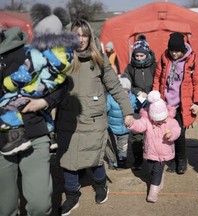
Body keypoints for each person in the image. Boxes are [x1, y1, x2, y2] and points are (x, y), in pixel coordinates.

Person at [0, 3, 73, 216]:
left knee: (40, 205)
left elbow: (62, 83)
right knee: (5, 208)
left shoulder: (23, 50)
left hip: (34, 131)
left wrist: (45, 102)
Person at [55, 18, 134, 216]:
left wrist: (128, 111)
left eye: (84, 35)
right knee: (69, 160)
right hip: (68, 118)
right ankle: (72, 195)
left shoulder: (98, 57)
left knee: (96, 157)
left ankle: (100, 185)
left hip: (94, 117)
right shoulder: (61, 57)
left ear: (90, 37)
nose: (80, 39)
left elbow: (114, 85)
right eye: (76, 35)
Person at [0, 5, 78, 156]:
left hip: (33, 87)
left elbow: (27, 73)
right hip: (48, 87)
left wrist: (8, 83)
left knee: (6, 104)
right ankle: (49, 131)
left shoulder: (38, 52)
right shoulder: (66, 51)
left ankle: (17, 134)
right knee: (43, 108)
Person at [153, 32, 198, 174]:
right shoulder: (164, 58)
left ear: (183, 50)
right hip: (166, 103)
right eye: (172, 51)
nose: (174, 54)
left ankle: (181, 161)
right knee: (167, 133)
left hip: (183, 104)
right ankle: (172, 160)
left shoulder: (192, 60)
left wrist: (197, 102)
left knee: (179, 133)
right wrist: (156, 97)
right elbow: (157, 78)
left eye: (177, 51)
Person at [126, 90, 181, 203]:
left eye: (161, 119)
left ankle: (153, 191)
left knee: (156, 171)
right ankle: (159, 180)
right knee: (151, 170)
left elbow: (177, 130)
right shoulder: (147, 120)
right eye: (157, 120)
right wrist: (132, 123)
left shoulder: (171, 121)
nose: (159, 122)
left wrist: (171, 135)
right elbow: (140, 125)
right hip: (151, 151)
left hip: (163, 152)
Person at [122, 34, 157, 170]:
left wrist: (152, 95)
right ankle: (138, 159)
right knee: (136, 133)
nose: (139, 58)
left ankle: (153, 157)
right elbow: (126, 83)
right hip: (136, 105)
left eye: (142, 55)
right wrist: (137, 92)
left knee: (152, 131)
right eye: (137, 56)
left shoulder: (154, 66)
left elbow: (159, 81)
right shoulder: (130, 68)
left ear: (147, 53)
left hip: (152, 104)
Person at [107, 77, 139, 169]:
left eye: (127, 90)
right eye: (122, 90)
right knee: (112, 147)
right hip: (112, 129)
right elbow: (105, 109)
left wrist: (143, 99)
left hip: (125, 129)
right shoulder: (110, 98)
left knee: (123, 147)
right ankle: (112, 162)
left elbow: (139, 105)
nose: (125, 92)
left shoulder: (132, 98)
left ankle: (121, 163)